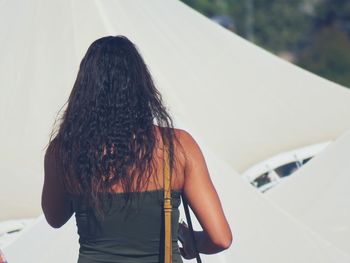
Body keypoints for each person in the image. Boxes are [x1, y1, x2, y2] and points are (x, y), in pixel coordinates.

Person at [41, 35, 232, 263]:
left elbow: (55, 218)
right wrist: (190, 240)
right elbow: (221, 238)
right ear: (142, 86)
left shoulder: (65, 151)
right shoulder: (177, 147)